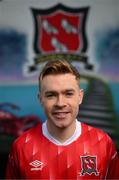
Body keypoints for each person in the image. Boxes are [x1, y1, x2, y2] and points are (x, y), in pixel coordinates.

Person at [6, 59, 119, 179]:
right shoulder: (22, 146)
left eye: (68, 94)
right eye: (51, 95)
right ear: (40, 99)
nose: (60, 103)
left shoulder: (103, 142)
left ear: (80, 97)